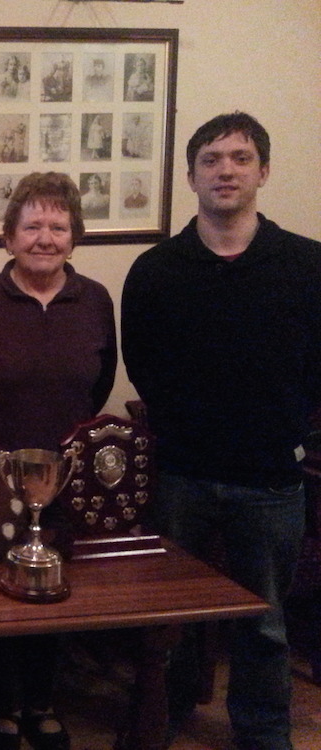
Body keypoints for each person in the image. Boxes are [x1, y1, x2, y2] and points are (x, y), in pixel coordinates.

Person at [121, 112, 321, 750]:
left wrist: (287, 423)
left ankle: (263, 731)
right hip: (181, 473)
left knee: (263, 621)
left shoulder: (307, 265)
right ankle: (164, 711)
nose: (225, 171)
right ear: (191, 176)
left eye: (240, 158)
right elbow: (142, 363)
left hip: (270, 477)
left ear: (264, 171)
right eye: (210, 160)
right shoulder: (155, 270)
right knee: (170, 614)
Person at [0, 172, 117, 750]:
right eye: (32, 226)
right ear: (9, 237)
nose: (45, 238)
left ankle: (43, 701)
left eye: (58, 226)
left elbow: (99, 385)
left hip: (64, 478)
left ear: (74, 237)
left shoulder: (95, 300)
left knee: (53, 585)